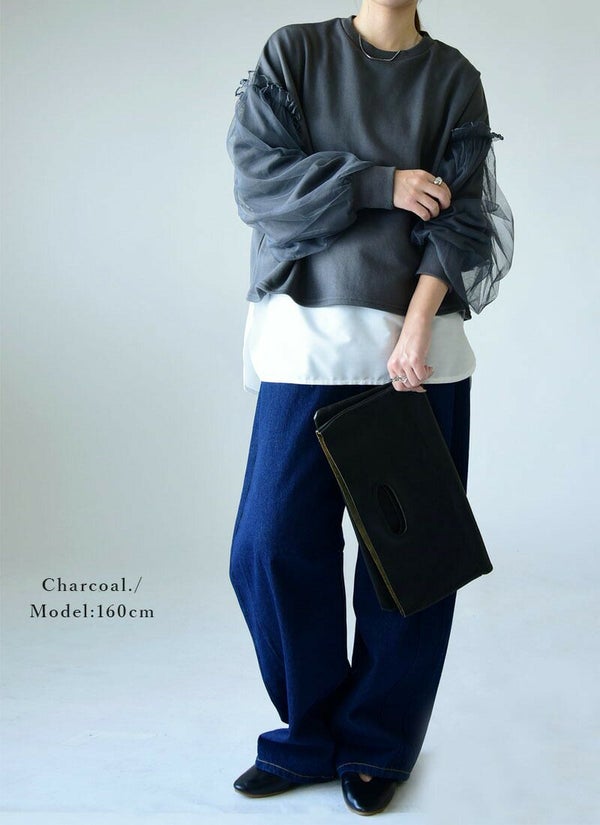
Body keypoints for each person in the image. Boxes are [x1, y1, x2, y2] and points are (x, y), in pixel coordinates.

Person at [225, 0, 514, 816]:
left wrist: (417, 324)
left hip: (415, 354)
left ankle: (378, 743)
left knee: (409, 564)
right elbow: (260, 181)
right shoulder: (295, 56)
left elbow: (464, 218)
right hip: (307, 340)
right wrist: (384, 184)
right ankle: (311, 732)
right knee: (270, 544)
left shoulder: (453, 79)